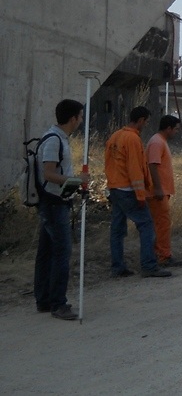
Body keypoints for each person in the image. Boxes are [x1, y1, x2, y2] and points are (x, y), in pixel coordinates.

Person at [33, 99, 90, 321]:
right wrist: (76, 179)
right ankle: (58, 303)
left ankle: (45, 300)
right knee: (61, 253)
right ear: (73, 118)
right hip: (53, 204)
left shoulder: (59, 138)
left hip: (55, 202)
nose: (81, 121)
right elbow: (48, 173)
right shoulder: (54, 140)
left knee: (46, 253)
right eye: (80, 116)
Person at [105, 106, 171, 278]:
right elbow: (134, 168)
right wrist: (141, 195)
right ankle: (149, 266)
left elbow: (109, 164)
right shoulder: (132, 139)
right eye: (146, 121)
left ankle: (117, 267)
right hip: (128, 190)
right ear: (141, 120)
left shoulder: (115, 136)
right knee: (147, 225)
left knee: (117, 230)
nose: (146, 124)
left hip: (115, 188)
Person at [147, 115, 182, 268]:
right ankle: (163, 256)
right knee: (162, 224)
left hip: (161, 191)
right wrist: (158, 187)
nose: (176, 132)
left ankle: (160, 253)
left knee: (161, 224)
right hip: (157, 193)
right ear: (168, 128)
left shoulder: (159, 141)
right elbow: (152, 165)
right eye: (175, 129)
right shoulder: (157, 142)